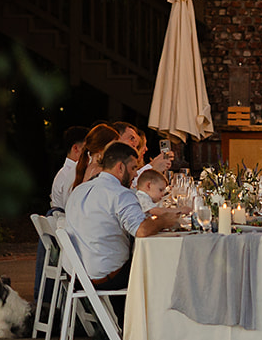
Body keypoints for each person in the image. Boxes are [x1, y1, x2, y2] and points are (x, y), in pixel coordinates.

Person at [62, 142, 184, 304]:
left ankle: (125, 317)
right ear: (120, 167)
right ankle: (154, 318)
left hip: (75, 276)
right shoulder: (120, 194)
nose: (136, 174)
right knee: (166, 267)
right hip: (106, 276)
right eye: (133, 168)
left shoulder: (80, 190)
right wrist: (165, 220)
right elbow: (141, 230)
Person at [71, 124, 123, 192]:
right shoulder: (102, 172)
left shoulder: (82, 166)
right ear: (101, 148)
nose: (116, 151)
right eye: (113, 147)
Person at [49, 126, 89, 214]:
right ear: (75, 148)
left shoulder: (64, 173)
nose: (89, 155)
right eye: (86, 150)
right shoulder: (70, 174)